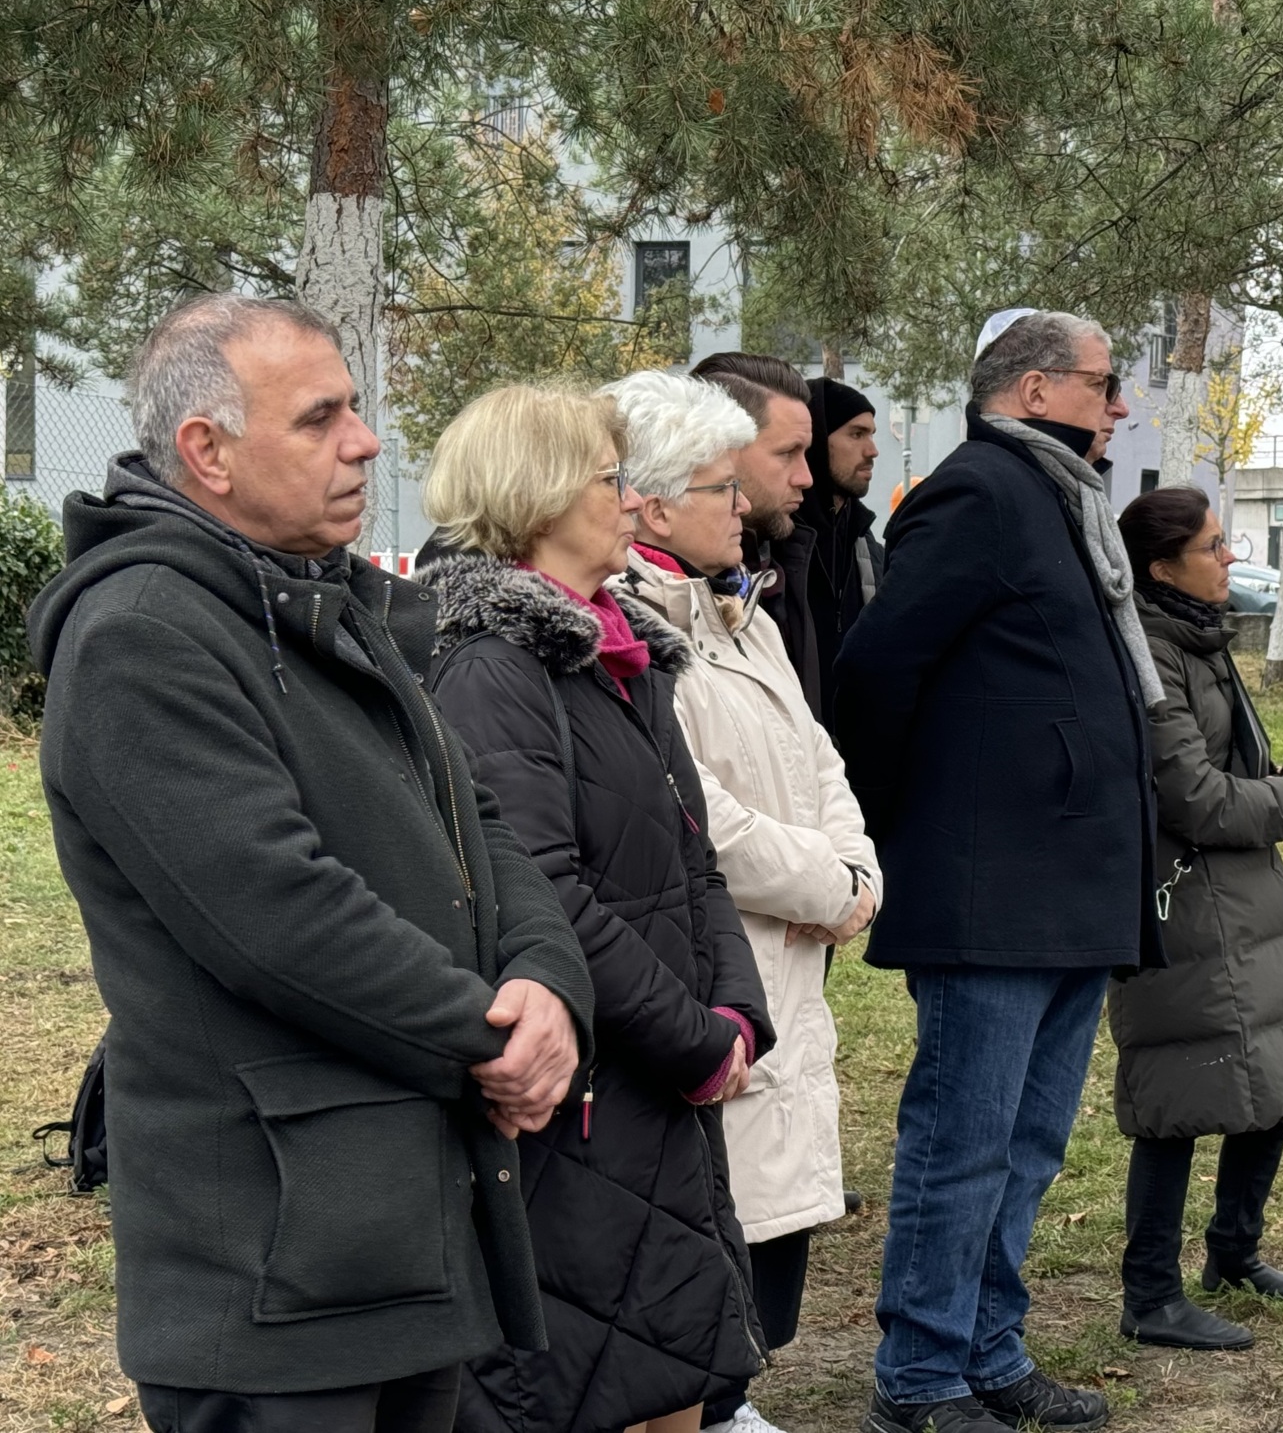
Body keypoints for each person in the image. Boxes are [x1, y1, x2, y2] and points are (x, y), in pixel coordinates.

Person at [26, 295, 594, 1433]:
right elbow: (274, 917)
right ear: (208, 452)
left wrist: (548, 979)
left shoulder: (323, 604)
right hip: (273, 1268)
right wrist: (495, 1033)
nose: (366, 440)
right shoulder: (145, 632)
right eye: (321, 417)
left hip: (397, 1236)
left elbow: (471, 820)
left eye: (357, 409)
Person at [414, 383, 775, 1433]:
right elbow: (543, 889)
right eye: (609, 479)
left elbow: (694, 859)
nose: (631, 500)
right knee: (598, 1383)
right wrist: (690, 1038)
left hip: (654, 1091)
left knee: (673, 1373)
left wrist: (737, 1016)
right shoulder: (495, 668)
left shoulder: (622, 655)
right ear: (536, 496)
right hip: (586, 1101)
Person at [835, 309, 1167, 1433]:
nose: (1119, 404)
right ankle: (920, 1375)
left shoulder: (1063, 502)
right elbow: (878, 669)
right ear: (1032, 390)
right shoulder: (979, 493)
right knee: (963, 1138)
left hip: (1073, 875)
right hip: (995, 881)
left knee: (1028, 1143)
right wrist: (907, 821)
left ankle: (987, 1349)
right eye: (1105, 383)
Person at [605, 371, 882, 1433]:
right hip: (715, 974)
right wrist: (826, 883)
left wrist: (853, 877)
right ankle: (711, 1407)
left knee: (772, 1235)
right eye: (725, 486)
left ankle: (730, 1402)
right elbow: (695, 810)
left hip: (789, 967)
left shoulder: (744, 609)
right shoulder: (627, 619)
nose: (753, 504)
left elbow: (818, 761)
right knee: (703, 1249)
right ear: (652, 499)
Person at [1111, 485, 1283, 1351]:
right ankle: (1149, 1295)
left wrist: (1264, 790)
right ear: (1163, 568)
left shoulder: (1197, 636)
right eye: (1214, 546)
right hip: (1183, 894)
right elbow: (1195, 799)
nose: (1230, 556)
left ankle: (1234, 1253)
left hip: (1241, 893)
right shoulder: (1151, 653)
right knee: (1180, 1090)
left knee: (1273, 1073)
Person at [689, 353, 818, 706]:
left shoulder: (781, 561)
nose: (805, 478)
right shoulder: (665, 596)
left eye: (805, 453)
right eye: (787, 453)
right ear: (725, 449)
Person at [789, 376, 884, 724]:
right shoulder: (778, 548)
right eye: (856, 434)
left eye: (872, 435)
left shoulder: (869, 550)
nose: (872, 450)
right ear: (815, 441)